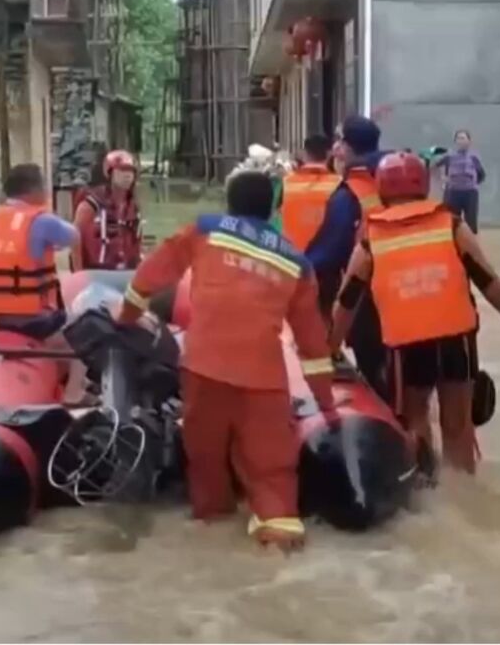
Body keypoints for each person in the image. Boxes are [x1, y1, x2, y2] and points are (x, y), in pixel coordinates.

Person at [115, 170, 336, 552]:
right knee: (272, 473)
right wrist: (327, 405)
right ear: (273, 209)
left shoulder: (205, 229)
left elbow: (150, 275)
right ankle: (279, 536)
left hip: (204, 368)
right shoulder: (297, 262)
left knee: (206, 460)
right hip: (264, 380)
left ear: (229, 203)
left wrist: (125, 320)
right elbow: (313, 345)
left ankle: (213, 527)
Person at [330, 152, 500, 480]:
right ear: (423, 185)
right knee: (458, 422)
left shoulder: (372, 237)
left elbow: (348, 299)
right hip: (457, 340)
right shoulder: (449, 222)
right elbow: (484, 275)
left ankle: (428, 489)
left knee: (415, 416)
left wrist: (331, 347)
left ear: (381, 187)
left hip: (408, 347)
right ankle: (466, 492)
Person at [0, 163, 90, 405]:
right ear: (34, 191)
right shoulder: (41, 221)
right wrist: (47, 213)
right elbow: (74, 236)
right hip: (33, 319)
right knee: (87, 325)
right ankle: (74, 393)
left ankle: (54, 374)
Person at [308, 115, 388, 396]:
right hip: (417, 298)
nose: (336, 147)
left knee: (382, 384)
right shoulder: (399, 179)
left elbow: (326, 255)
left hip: (371, 302)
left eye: (340, 140)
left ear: (349, 146)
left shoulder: (350, 194)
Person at [72, 149, 143, 271]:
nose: (127, 175)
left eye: (131, 171)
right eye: (122, 170)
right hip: (97, 272)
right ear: (110, 173)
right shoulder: (92, 203)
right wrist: (78, 273)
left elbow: (137, 244)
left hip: (125, 272)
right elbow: (74, 238)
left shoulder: (133, 207)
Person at [280, 134, 339, 254]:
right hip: (326, 258)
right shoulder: (339, 183)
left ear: (304, 154)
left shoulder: (287, 182)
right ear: (329, 154)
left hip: (290, 257)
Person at [435, 129, 485, 233]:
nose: (460, 141)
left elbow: (481, 175)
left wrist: (472, 183)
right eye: (458, 138)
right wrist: (442, 179)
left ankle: (471, 247)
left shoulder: (473, 157)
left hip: (470, 193)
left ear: (469, 141)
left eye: (463, 138)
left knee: (471, 223)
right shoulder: (450, 156)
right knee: (452, 222)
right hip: (453, 192)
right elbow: (434, 166)